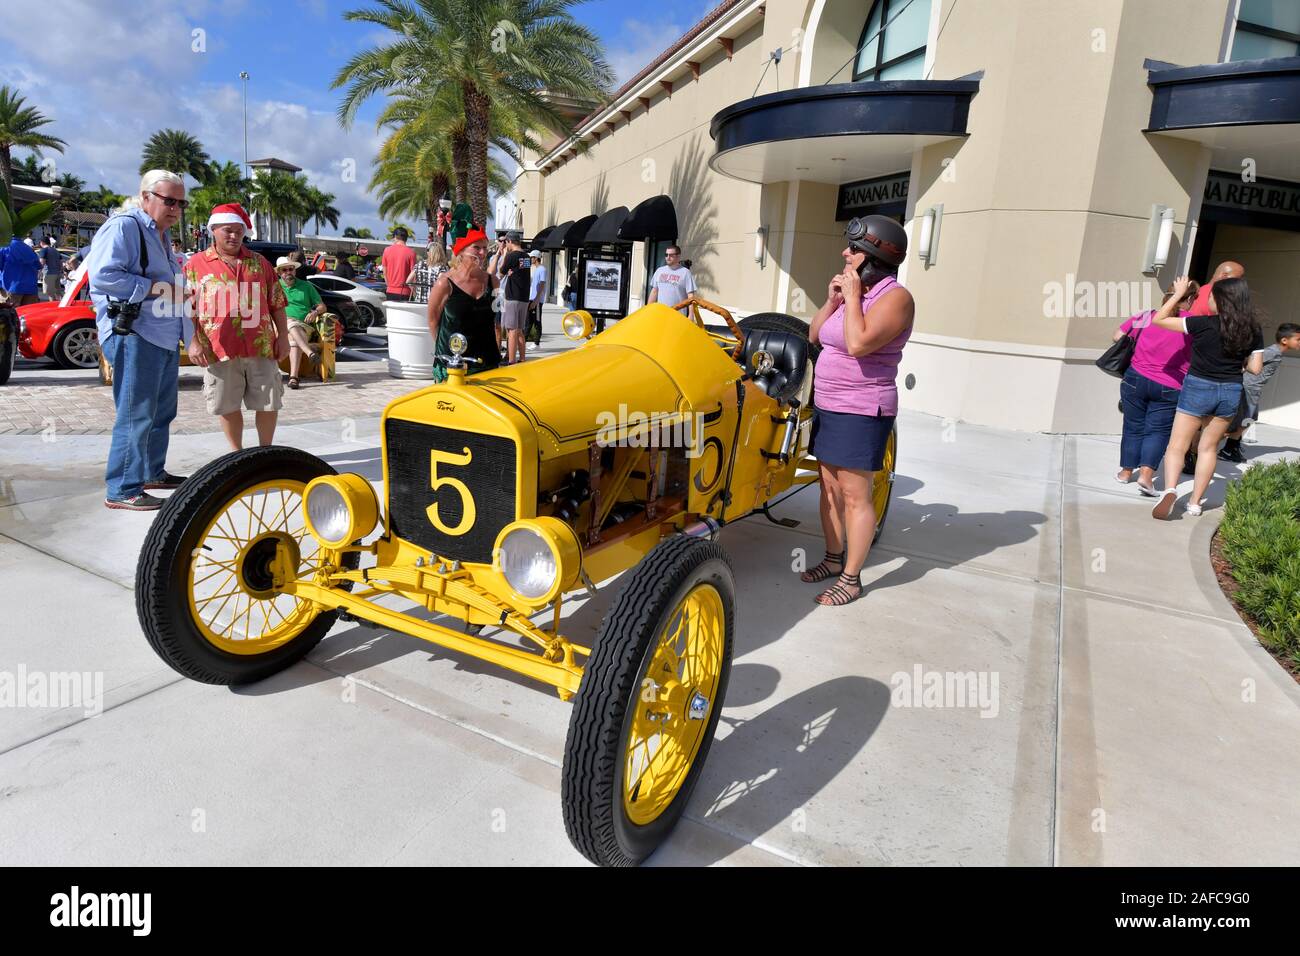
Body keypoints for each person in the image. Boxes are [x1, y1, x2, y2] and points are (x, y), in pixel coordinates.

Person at [800, 215, 914, 606]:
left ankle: (851, 578)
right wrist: (833, 299)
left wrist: (851, 301)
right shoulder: (854, 294)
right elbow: (816, 335)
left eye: (852, 250)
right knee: (828, 488)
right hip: (828, 404)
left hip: (862, 409)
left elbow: (860, 343)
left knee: (854, 495)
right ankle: (833, 559)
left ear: (871, 257)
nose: (844, 254)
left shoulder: (895, 298)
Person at [84, 169, 194, 511]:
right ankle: (122, 488)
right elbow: (102, 276)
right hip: (136, 334)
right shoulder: (124, 227)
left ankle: (151, 472)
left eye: (181, 202)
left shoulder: (159, 235)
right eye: (169, 200)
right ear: (146, 197)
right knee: (136, 413)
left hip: (160, 335)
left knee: (161, 412)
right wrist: (156, 289)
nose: (176, 208)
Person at [1148, 275, 1264, 519]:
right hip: (1230, 390)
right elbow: (1256, 369)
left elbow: (1159, 320)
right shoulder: (1253, 331)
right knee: (1209, 448)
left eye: (1211, 296)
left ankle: (1169, 490)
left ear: (1221, 300)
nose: (1207, 299)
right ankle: (1195, 503)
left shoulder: (1203, 324)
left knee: (1177, 445)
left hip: (1197, 387)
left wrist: (1178, 294)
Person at [185, 203, 290, 451]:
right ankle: (237, 455)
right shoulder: (194, 266)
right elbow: (186, 307)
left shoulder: (260, 263)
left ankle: (266, 452)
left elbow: (276, 303)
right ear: (213, 230)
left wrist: (283, 336)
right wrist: (192, 340)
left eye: (238, 231)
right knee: (227, 404)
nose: (233, 236)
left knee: (268, 402)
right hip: (218, 347)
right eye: (227, 230)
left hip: (261, 345)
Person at [1112, 280, 1197, 495]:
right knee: (1157, 431)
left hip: (1135, 378)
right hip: (1170, 385)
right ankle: (1146, 477)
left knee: (1132, 425)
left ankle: (1125, 472)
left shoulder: (1145, 316)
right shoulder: (1191, 324)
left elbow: (1118, 336)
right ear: (1188, 299)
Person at [427, 229, 501, 382]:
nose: (482, 252)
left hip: (486, 363)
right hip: (452, 368)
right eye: (476, 247)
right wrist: (448, 349)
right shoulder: (444, 283)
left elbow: (498, 320)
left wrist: (498, 351)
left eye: (485, 248)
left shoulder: (494, 282)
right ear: (461, 251)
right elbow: (433, 321)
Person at [1220, 323, 1300, 460]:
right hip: (1248, 388)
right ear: (1284, 340)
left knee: (1249, 419)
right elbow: (1248, 361)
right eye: (1298, 339)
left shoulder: (1276, 353)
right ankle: (1226, 448)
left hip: (1254, 389)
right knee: (1242, 419)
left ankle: (1231, 447)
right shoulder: (1271, 352)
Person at [276, 256, 329, 389]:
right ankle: (306, 357)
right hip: (279, 327)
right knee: (289, 323)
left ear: (294, 271)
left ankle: (294, 377)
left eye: (291, 269)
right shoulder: (274, 287)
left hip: (304, 326)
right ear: (279, 272)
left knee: (293, 334)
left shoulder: (306, 286)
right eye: (285, 270)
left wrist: (315, 312)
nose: (288, 272)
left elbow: (322, 306)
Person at [495, 232, 531, 365]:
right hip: (523, 297)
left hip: (512, 297)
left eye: (506, 242)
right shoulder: (526, 256)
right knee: (520, 330)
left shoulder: (512, 256)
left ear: (509, 241)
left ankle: (511, 360)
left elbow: (500, 272)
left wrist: (507, 268)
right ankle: (522, 358)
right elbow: (521, 272)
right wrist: (512, 272)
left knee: (512, 330)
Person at [647, 245, 696, 311]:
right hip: (661, 313)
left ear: (678, 256)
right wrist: (648, 309)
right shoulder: (659, 271)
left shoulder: (686, 272)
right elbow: (654, 291)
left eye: (671, 255)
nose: (668, 257)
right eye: (666, 255)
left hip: (678, 314)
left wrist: (691, 314)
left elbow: (690, 296)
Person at [0, 233, 43, 306]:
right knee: (28, 315)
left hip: (11, 287)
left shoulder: (4, 247)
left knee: (9, 314)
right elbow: (38, 265)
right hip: (31, 288)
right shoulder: (28, 248)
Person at [407, 240, 448, 305]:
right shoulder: (441, 267)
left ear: (429, 253)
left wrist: (416, 293)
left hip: (419, 301)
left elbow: (408, 281)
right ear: (440, 253)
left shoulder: (419, 264)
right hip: (434, 303)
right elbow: (442, 285)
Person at [381, 227, 416, 301]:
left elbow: (385, 273)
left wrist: (389, 286)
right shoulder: (411, 253)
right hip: (406, 292)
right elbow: (413, 276)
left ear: (395, 237)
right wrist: (414, 292)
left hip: (390, 290)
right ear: (406, 238)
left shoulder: (386, 250)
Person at [527, 249, 546, 345]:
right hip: (532, 298)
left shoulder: (542, 269)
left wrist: (536, 299)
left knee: (537, 321)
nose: (530, 259)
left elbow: (542, 284)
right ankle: (524, 342)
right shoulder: (537, 269)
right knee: (530, 321)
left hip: (537, 300)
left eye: (531, 258)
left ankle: (536, 343)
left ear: (536, 258)